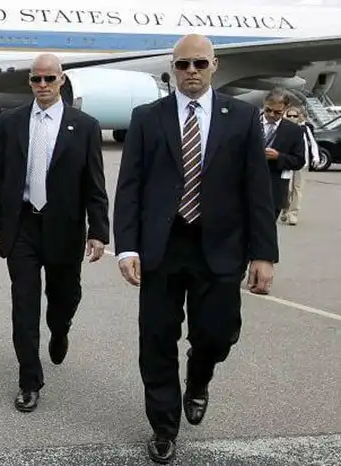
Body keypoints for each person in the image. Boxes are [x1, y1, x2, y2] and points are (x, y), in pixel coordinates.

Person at [113, 34, 278, 464]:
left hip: (220, 247)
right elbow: (129, 187)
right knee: (156, 339)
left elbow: (257, 190)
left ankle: (199, 378)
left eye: (199, 64)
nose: (190, 72)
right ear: (172, 68)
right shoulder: (147, 118)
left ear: (214, 65)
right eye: (182, 64)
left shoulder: (241, 117)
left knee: (217, 334)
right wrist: (126, 247)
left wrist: (264, 253)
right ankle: (164, 426)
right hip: (162, 247)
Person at [0, 53, 110, 413]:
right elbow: (1, 177)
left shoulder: (84, 126)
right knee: (24, 305)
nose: (42, 85)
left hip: (64, 227)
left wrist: (98, 230)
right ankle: (29, 380)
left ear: (61, 80)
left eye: (49, 79)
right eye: (36, 79)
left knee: (64, 297)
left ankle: (60, 328)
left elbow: (94, 184)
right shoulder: (11, 121)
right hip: (23, 225)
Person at [259, 88, 306, 220]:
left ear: (285, 108)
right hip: (246, 187)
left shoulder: (294, 131)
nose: (271, 115)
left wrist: (279, 157)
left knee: (267, 228)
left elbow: (299, 161)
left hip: (274, 190)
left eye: (277, 112)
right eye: (268, 110)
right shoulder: (250, 123)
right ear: (264, 104)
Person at [280, 106, 319, 226]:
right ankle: (285, 209)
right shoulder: (283, 128)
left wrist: (316, 156)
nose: (292, 118)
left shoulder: (304, 128)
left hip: (302, 163)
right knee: (287, 189)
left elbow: (312, 143)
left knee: (297, 189)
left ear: (299, 117)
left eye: (295, 116)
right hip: (287, 163)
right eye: (289, 115)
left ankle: (293, 214)